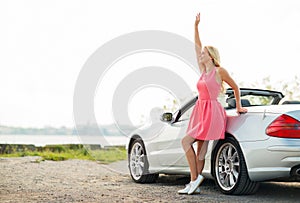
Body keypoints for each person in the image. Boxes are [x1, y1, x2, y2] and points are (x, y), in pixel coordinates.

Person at [178, 12, 248, 195]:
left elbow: (235, 87)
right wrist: (195, 27)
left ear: (211, 56)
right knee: (200, 150)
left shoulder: (219, 71)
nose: (200, 55)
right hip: (200, 111)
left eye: (203, 54)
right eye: (201, 54)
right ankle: (195, 183)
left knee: (186, 142)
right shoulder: (203, 69)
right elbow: (196, 46)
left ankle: (194, 180)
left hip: (212, 111)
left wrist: (239, 106)